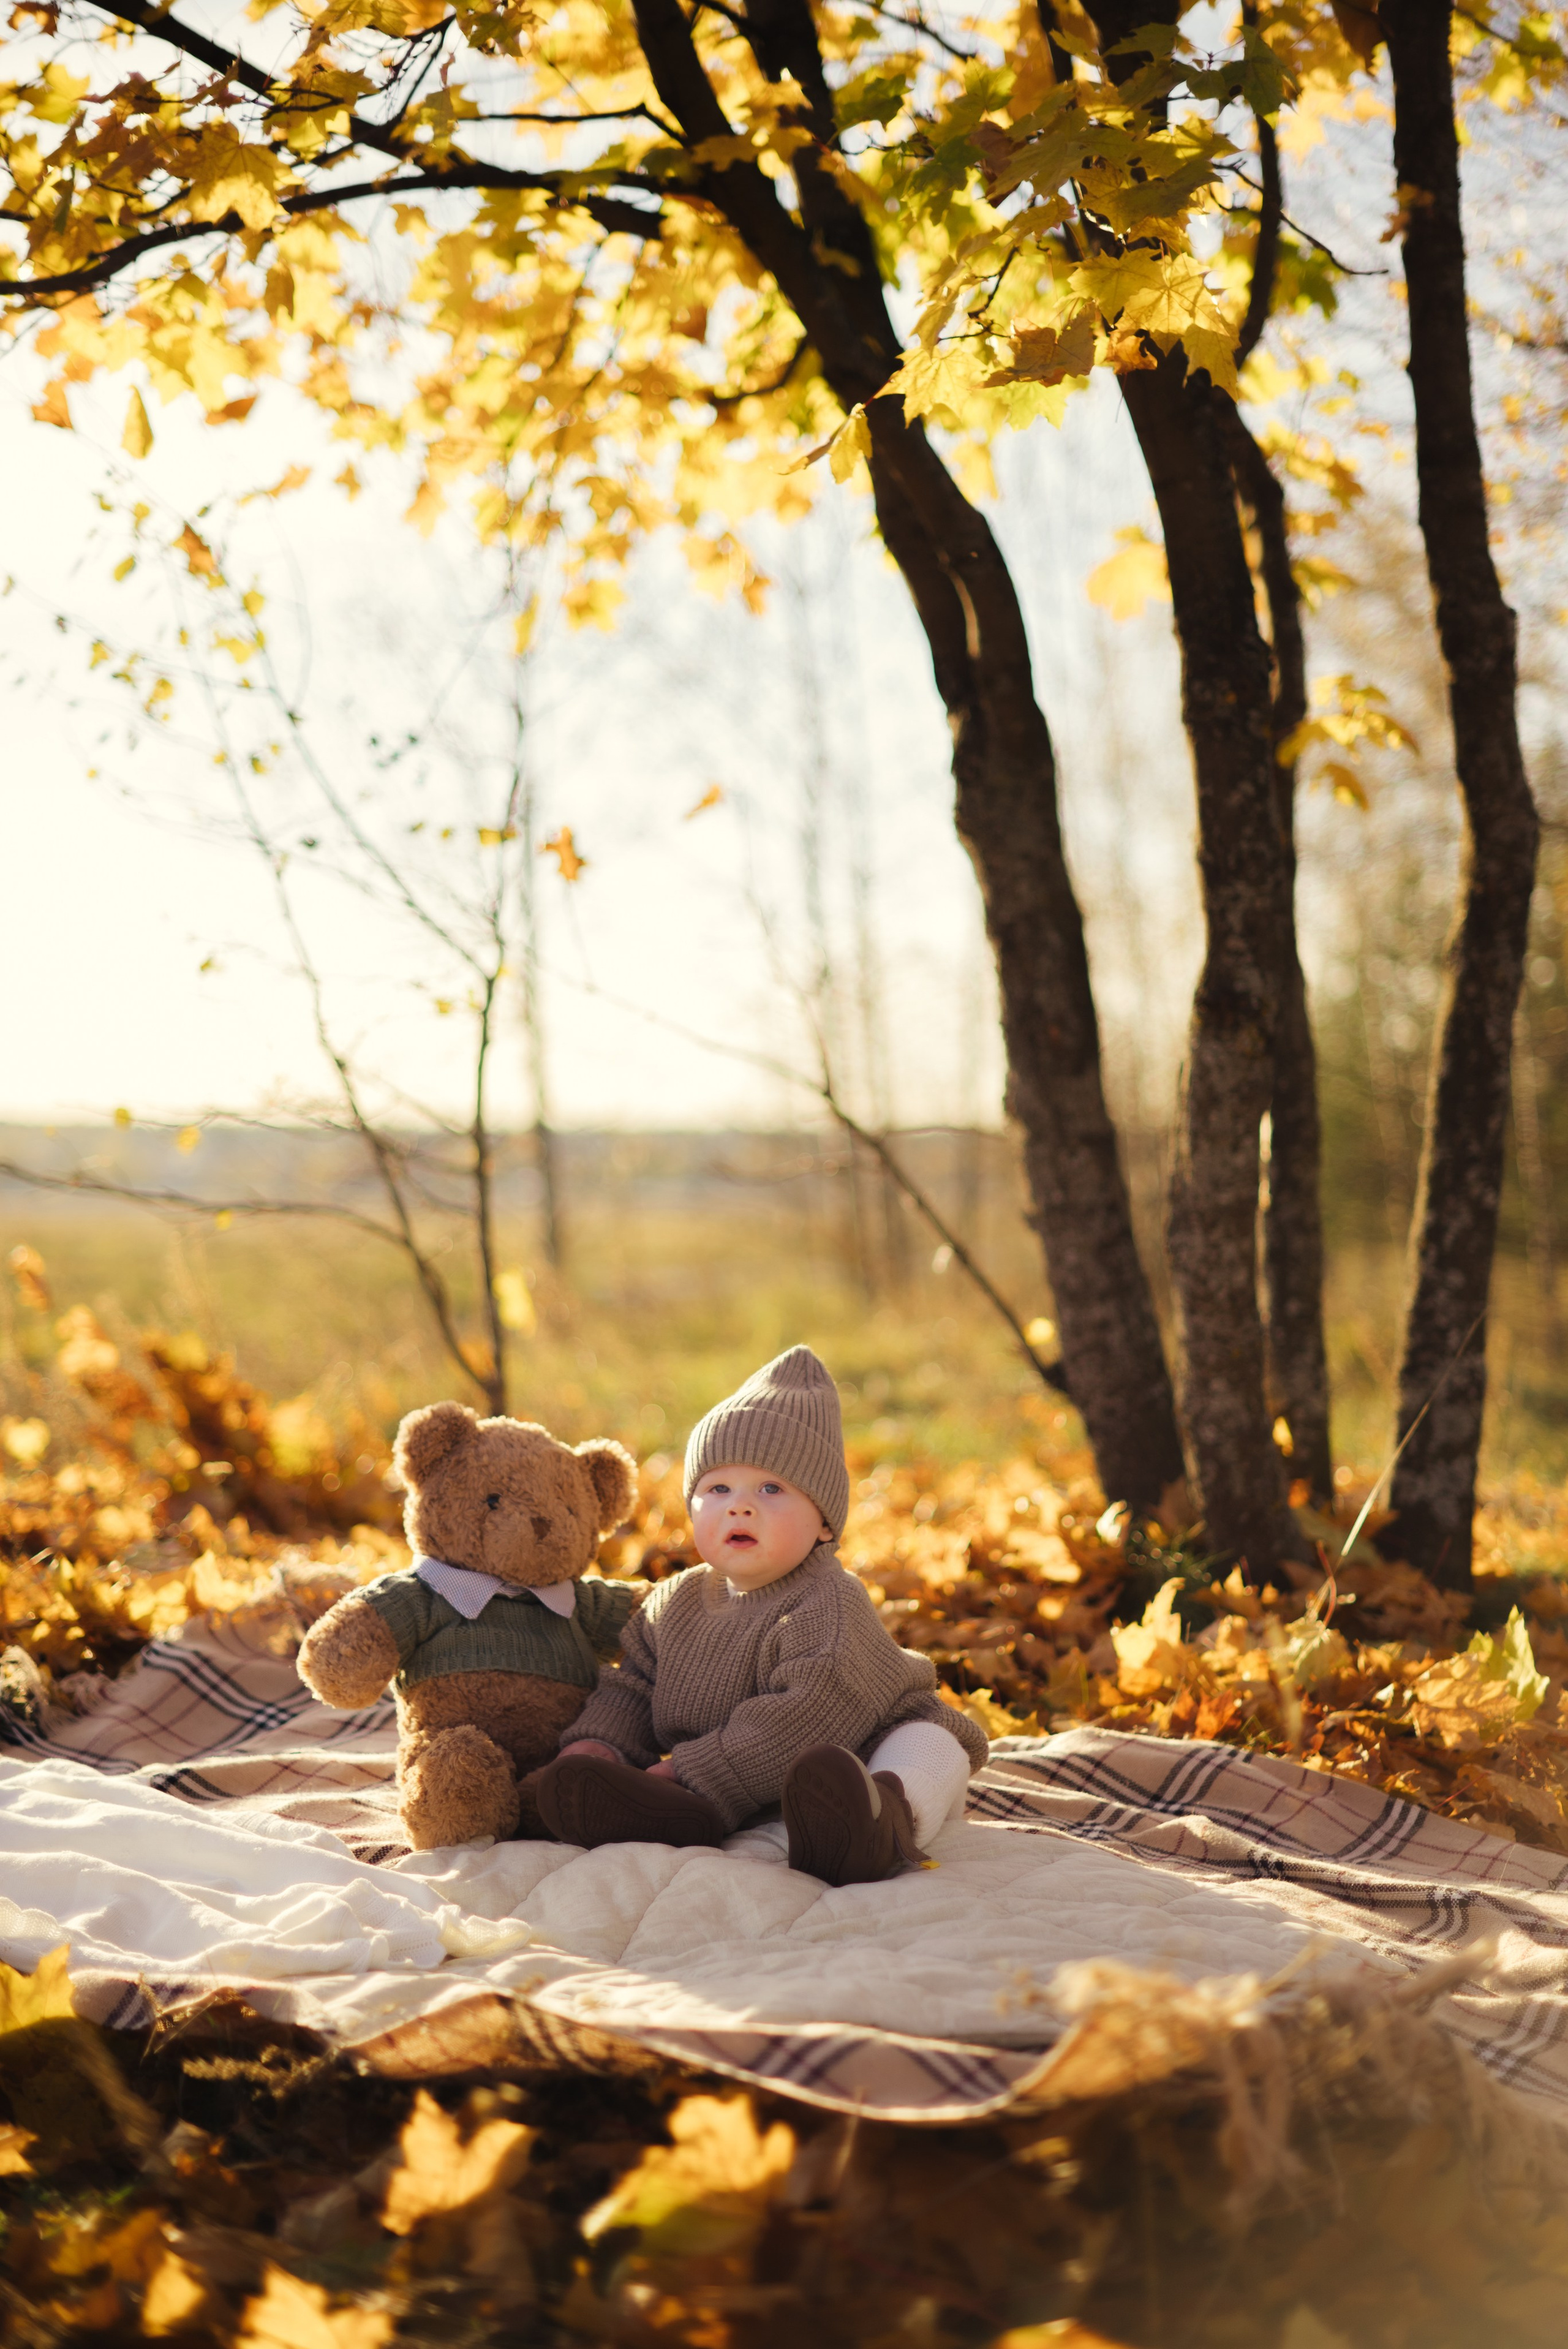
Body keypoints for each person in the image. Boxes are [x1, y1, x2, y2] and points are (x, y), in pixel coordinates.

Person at [533, 1346, 986, 1885]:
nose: (740, 1505)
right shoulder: (674, 1602)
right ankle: (671, 1813)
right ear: (693, 1505)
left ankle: (880, 1827)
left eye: (772, 1489)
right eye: (718, 1488)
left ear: (824, 1523)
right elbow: (631, 1688)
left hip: (865, 1750)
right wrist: (598, 1745)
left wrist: (691, 1769)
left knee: (929, 1748)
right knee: (611, 1760)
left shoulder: (828, 1600)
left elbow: (809, 1714)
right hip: (738, 1780)